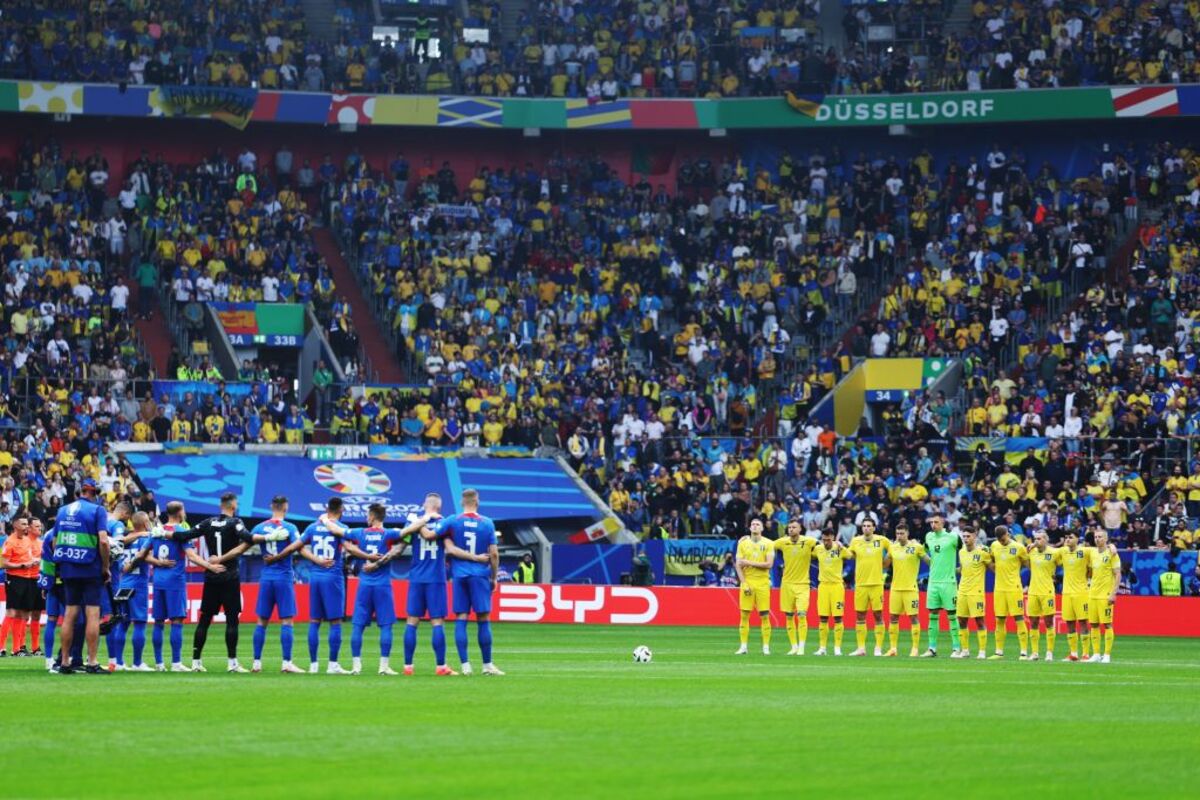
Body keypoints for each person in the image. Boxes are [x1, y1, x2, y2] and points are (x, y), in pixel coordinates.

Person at [168, 491, 278, 672]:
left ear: (221, 505)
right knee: (232, 620)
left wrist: (164, 534)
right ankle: (232, 663)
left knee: (204, 619)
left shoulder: (207, 522)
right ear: (233, 506)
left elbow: (184, 536)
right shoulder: (235, 523)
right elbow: (249, 538)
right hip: (229, 575)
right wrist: (269, 537)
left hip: (211, 576)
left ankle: (196, 662)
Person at [299, 498, 376, 674]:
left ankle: (313, 665)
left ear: (327, 508)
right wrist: (368, 556)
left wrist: (316, 559)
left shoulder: (312, 527)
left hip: (315, 577)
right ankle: (332, 664)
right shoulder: (340, 528)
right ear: (341, 509)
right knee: (335, 622)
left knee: (314, 621)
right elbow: (350, 548)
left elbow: (301, 547)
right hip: (333, 577)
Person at [135, 501, 210, 671]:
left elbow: (141, 555)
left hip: (158, 581)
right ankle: (176, 663)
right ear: (179, 512)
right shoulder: (181, 531)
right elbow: (191, 556)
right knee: (177, 621)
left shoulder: (156, 531)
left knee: (159, 622)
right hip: (175, 581)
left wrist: (157, 562)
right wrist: (210, 566)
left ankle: (159, 664)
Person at [248, 496, 318, 674]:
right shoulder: (290, 528)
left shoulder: (259, 527)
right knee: (287, 620)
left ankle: (256, 663)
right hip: (283, 576)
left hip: (266, 577)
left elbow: (246, 542)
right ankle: (286, 662)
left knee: (261, 621)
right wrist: (317, 560)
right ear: (286, 507)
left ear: (271, 506)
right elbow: (300, 547)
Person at [346, 503, 416, 675]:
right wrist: (417, 520)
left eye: (367, 515)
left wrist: (324, 520)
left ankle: (356, 667)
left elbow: (342, 536)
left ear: (371, 516)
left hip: (364, 585)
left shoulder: (359, 533)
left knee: (358, 626)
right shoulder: (389, 533)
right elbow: (407, 533)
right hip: (383, 585)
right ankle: (383, 667)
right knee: (386, 626)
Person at [441, 489, 503, 675]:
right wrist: (493, 577)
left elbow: (441, 542)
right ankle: (487, 665)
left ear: (462, 502)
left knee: (461, 617)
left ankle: (465, 666)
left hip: (459, 574)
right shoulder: (487, 523)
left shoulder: (453, 521)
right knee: (483, 618)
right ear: (477, 502)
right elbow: (494, 554)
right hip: (480, 575)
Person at [402, 492, 465, 676]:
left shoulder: (412, 522)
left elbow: (402, 543)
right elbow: (450, 548)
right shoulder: (445, 524)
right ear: (439, 506)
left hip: (416, 577)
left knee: (412, 621)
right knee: (437, 622)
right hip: (436, 578)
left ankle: (408, 667)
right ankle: (441, 666)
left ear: (426, 505)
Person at [53, 479, 111, 674]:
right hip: (89, 567)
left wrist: (61, 563)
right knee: (92, 613)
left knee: (69, 614)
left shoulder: (62, 510)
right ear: (95, 493)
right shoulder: (97, 510)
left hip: (68, 567)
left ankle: (65, 662)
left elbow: (54, 540)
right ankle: (92, 662)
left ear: (79, 492)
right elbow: (103, 541)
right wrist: (105, 567)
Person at [113, 512, 154, 671]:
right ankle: (137, 663)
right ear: (145, 523)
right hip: (138, 586)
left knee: (122, 624)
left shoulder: (125, 539)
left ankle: (118, 662)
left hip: (123, 584)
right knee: (139, 624)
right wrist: (160, 562)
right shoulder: (146, 539)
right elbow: (146, 557)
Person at [845, 519, 890, 656]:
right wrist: (839, 548)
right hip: (860, 584)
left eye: (869, 526)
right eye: (864, 526)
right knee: (860, 615)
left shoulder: (882, 540)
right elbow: (849, 555)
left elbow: (894, 550)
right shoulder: (855, 541)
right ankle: (861, 648)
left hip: (876, 583)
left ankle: (878, 648)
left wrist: (886, 562)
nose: (866, 528)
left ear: (874, 528)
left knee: (878, 615)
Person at [884, 524, 928, 657]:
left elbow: (929, 561)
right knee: (893, 617)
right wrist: (886, 553)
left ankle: (914, 649)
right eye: (897, 533)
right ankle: (893, 649)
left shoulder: (916, 547)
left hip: (910, 589)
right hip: (896, 588)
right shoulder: (892, 547)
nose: (899, 536)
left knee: (913, 617)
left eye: (902, 533)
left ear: (907, 533)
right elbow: (885, 565)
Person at [773, 520, 816, 655]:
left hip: (803, 584)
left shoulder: (809, 541)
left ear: (800, 529)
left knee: (802, 615)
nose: (791, 529)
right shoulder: (782, 542)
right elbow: (767, 544)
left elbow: (823, 546)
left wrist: (836, 544)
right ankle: (794, 647)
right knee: (789, 616)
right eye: (789, 527)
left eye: (794, 527)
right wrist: (747, 538)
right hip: (787, 584)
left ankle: (802, 647)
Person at [987, 525, 1030, 660]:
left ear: (1008, 534)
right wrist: (996, 572)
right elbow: (991, 561)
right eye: (999, 540)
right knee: (999, 619)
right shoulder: (994, 545)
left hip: (1014, 588)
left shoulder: (1019, 548)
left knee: (1018, 618)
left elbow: (1028, 565)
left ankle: (1023, 652)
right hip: (999, 588)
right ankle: (999, 652)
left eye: (1003, 539)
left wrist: (1027, 583)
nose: (1001, 542)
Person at [921, 513, 960, 657]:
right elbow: (923, 552)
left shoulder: (953, 537)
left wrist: (960, 568)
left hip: (948, 582)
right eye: (931, 522)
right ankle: (932, 648)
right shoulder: (928, 537)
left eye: (936, 522)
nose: (933, 525)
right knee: (932, 614)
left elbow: (965, 550)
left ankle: (956, 648)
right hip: (933, 582)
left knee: (952, 614)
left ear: (943, 523)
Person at [733, 518, 773, 655]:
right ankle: (743, 646)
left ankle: (766, 647)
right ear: (749, 528)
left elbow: (769, 564)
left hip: (763, 583)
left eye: (758, 524)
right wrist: (743, 583)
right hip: (748, 581)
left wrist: (748, 562)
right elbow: (738, 564)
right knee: (744, 615)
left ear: (762, 528)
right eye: (753, 524)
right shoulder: (743, 543)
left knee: (764, 615)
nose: (755, 526)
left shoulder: (768, 543)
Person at [1, 515, 39, 657]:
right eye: (23, 524)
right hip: (14, 579)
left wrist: (34, 561)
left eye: (26, 524)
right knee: (11, 612)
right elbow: (3, 563)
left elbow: (27, 557)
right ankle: (1, 647)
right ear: (15, 525)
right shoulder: (9, 542)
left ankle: (17, 649)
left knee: (23, 613)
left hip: (28, 579)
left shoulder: (27, 541)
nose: (26, 527)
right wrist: (21, 565)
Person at [952, 526, 991, 659]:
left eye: (968, 536)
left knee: (979, 621)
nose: (966, 539)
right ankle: (965, 650)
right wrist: (948, 570)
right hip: (962, 591)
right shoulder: (962, 552)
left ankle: (982, 651)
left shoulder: (983, 552)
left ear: (974, 536)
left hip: (976, 592)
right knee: (961, 621)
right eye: (964, 536)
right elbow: (962, 569)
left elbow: (993, 567)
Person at [1026, 530, 1060, 661]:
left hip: (1047, 592)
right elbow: (1022, 557)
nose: (1036, 541)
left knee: (1048, 622)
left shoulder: (1054, 552)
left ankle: (1049, 652)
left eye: (1039, 539)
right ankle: (1034, 653)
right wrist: (1030, 547)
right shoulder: (1031, 551)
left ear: (1046, 539)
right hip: (1033, 591)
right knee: (1033, 622)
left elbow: (1066, 558)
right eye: (1035, 539)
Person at [1087, 530, 1121, 663]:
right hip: (1092, 594)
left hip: (1105, 595)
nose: (1097, 539)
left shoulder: (1112, 553)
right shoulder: (1092, 552)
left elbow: (1118, 574)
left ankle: (1106, 655)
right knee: (1094, 624)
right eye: (1095, 537)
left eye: (1100, 537)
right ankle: (1096, 654)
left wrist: (1114, 593)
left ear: (1106, 539)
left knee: (1107, 624)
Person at [813, 529, 847, 656]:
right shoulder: (818, 549)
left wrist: (843, 546)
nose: (826, 542)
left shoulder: (839, 549)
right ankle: (822, 648)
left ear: (833, 537)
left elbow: (851, 556)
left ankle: (837, 648)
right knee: (823, 617)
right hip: (823, 587)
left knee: (838, 617)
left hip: (837, 586)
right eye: (824, 539)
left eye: (828, 539)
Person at [1060, 530, 1092, 661]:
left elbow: (1092, 567)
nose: (1067, 539)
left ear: (1078, 539)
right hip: (1066, 593)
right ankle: (1073, 653)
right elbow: (1047, 550)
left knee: (1083, 622)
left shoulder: (1085, 551)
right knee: (1070, 623)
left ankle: (1085, 654)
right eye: (1066, 537)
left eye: (1071, 537)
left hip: (1081, 593)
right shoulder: (1062, 551)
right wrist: (1033, 545)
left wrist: (1111, 546)